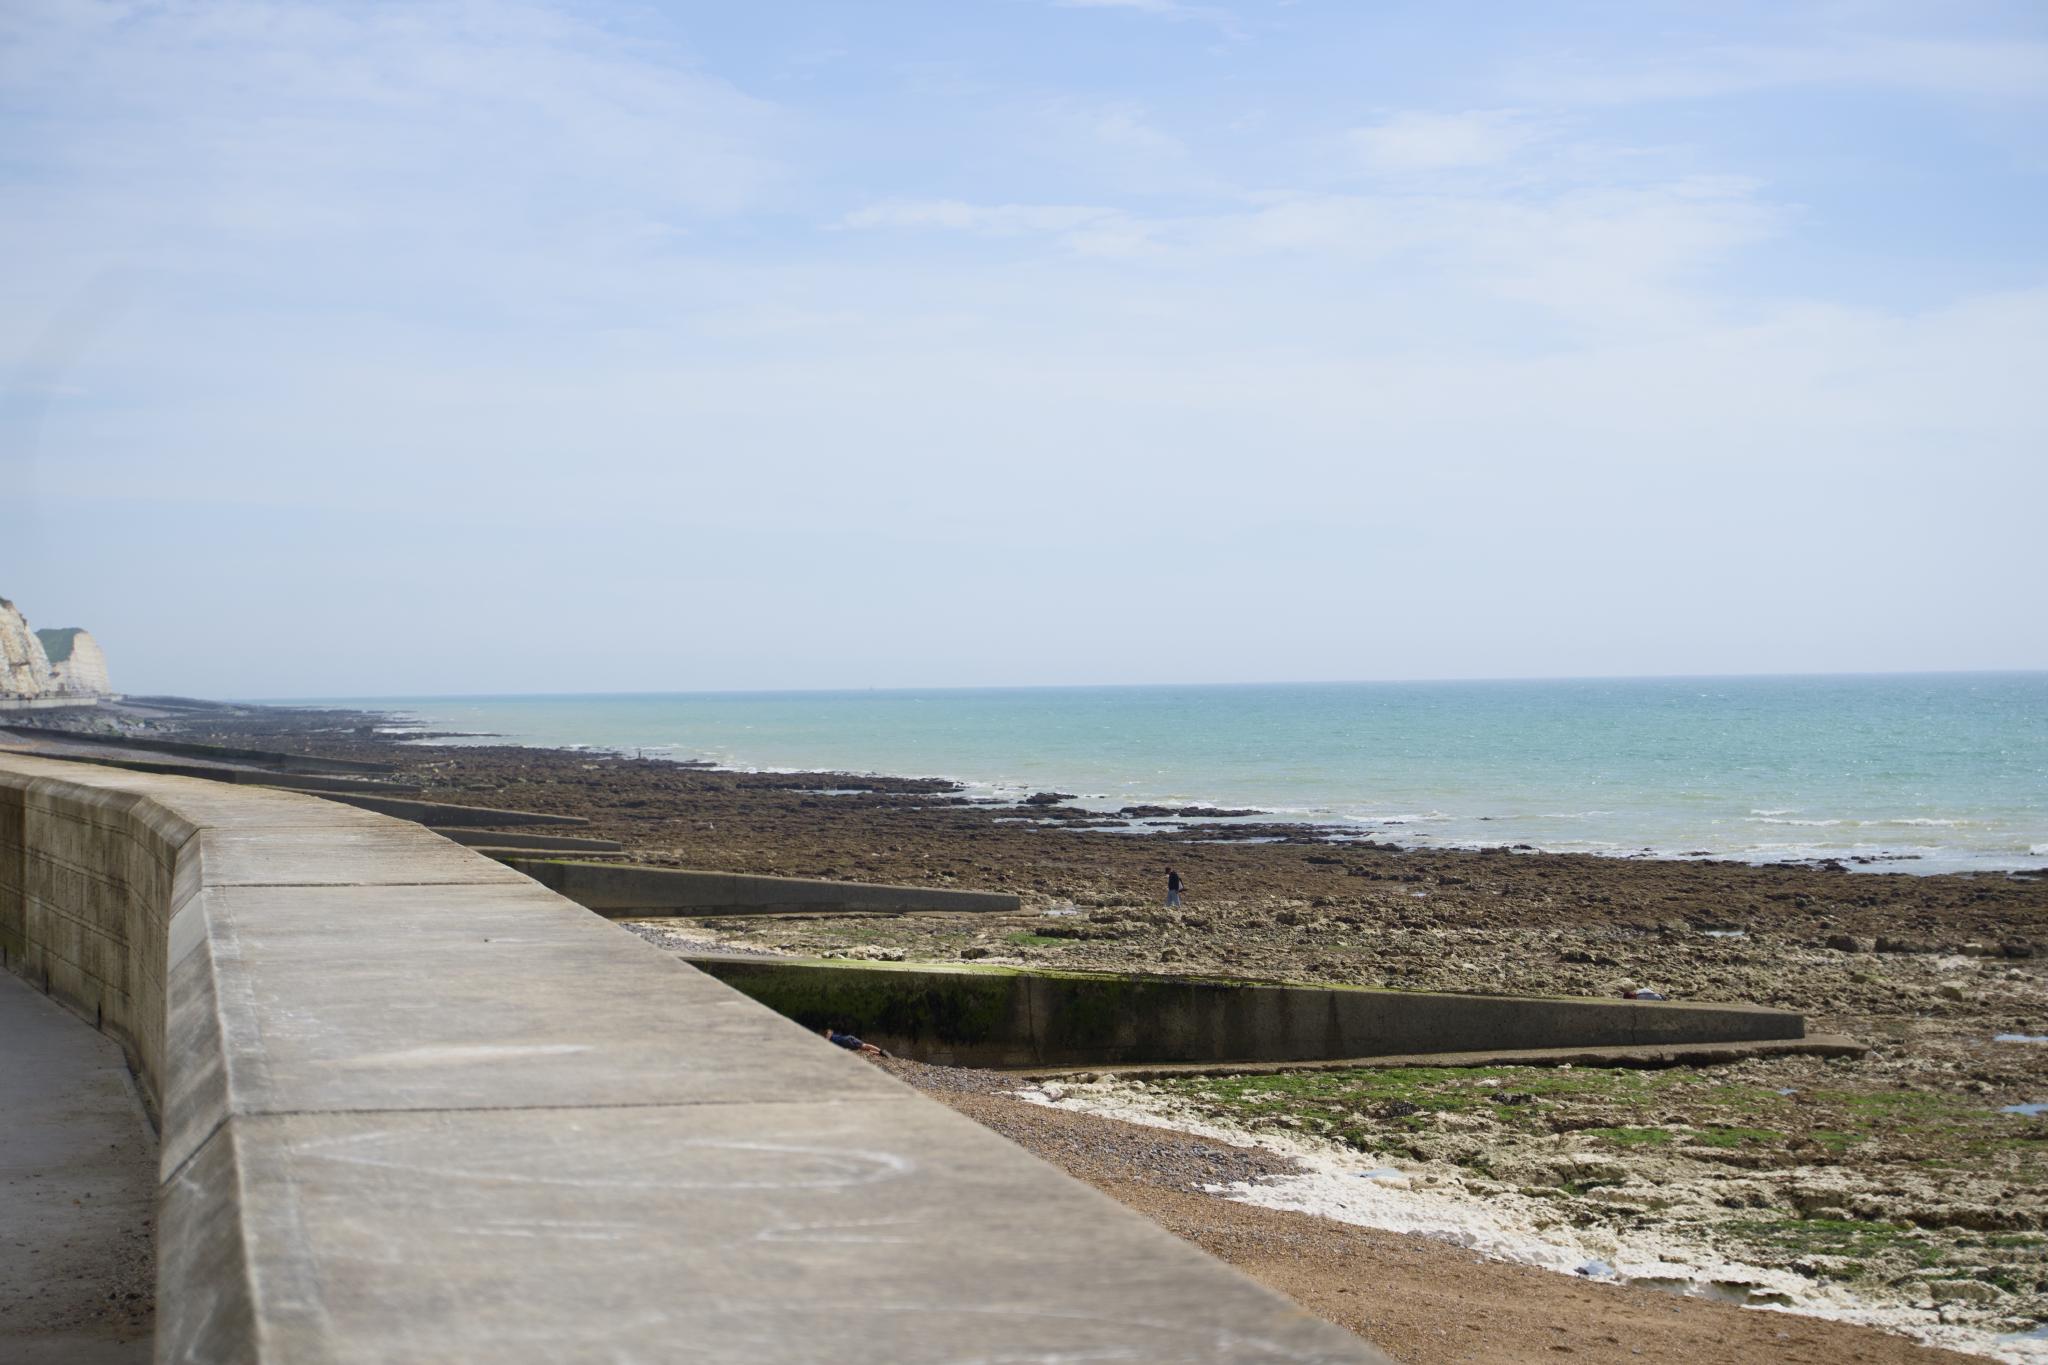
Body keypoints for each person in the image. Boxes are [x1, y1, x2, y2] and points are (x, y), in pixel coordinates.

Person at [821, 1023, 887, 1057]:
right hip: (847, 1040)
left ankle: (880, 1052)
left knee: (863, 1047)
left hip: (846, 1041)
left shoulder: (831, 1036)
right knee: (864, 1047)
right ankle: (880, 1052)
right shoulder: (832, 1036)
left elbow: (828, 1035)